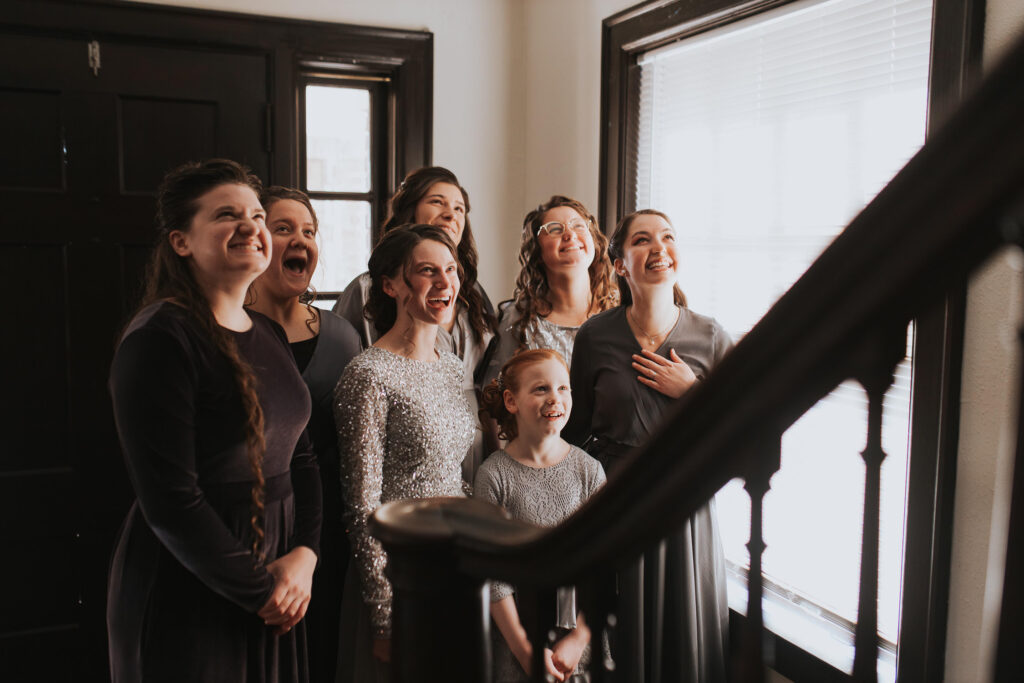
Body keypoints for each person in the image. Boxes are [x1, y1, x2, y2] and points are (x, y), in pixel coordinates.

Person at [107, 160, 321, 683]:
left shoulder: (268, 333)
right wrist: (261, 588)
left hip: (281, 575)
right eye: (228, 215)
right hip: (192, 579)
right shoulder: (159, 339)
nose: (252, 226)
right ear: (182, 242)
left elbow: (304, 458)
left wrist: (305, 556)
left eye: (255, 214)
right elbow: (170, 501)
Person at [562, 209, 732, 682]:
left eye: (668, 237)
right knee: (621, 632)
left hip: (684, 501)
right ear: (619, 263)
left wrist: (694, 393)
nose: (659, 248)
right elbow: (574, 430)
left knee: (682, 632)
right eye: (642, 240)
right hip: (615, 497)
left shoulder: (711, 335)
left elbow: (748, 423)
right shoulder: (595, 336)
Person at [333, 224, 476, 682]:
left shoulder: (453, 368)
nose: (444, 283)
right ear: (392, 285)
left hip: (453, 565)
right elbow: (361, 506)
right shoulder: (368, 375)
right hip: (398, 575)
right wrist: (383, 615)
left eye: (450, 270)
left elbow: (453, 476)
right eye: (427, 271)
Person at [248, 186, 362, 683]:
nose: (301, 239)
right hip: (250, 523)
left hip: (324, 529)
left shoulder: (342, 338)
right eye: (284, 228)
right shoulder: (226, 332)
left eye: (309, 231)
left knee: (318, 655)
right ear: (255, 240)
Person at [333, 167, 495, 481]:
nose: (451, 214)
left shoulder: (473, 295)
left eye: (459, 208)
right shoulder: (366, 289)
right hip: (405, 444)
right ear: (411, 210)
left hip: (468, 436)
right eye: (438, 202)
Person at [476, 349, 606, 683]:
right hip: (517, 640)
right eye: (540, 389)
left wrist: (578, 641)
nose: (555, 399)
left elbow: (605, 564)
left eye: (563, 388)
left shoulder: (589, 471)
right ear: (511, 400)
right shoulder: (494, 476)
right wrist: (525, 650)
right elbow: (493, 577)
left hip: (580, 640)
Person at [480, 196, 618, 389]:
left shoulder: (624, 311)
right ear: (537, 250)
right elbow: (496, 394)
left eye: (578, 225)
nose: (569, 234)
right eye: (554, 229)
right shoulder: (519, 322)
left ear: (594, 239)